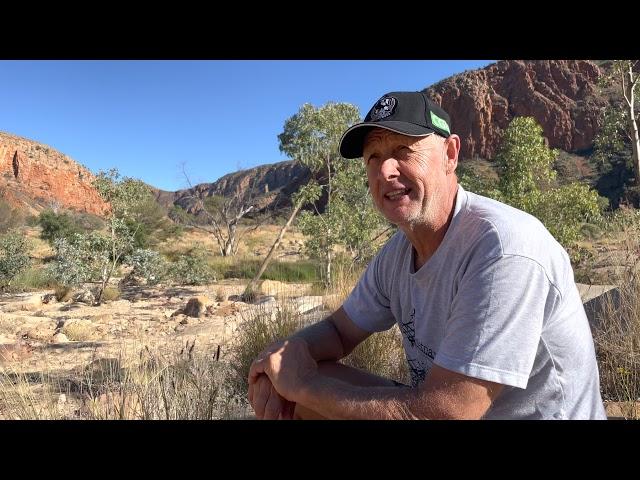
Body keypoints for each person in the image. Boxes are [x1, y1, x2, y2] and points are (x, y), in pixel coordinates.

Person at [248, 91, 607, 420]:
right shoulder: (397, 254)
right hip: (439, 407)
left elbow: (448, 413)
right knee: (303, 391)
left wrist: (302, 384)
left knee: (308, 391)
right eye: (374, 157)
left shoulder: (503, 249)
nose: (386, 171)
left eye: (403, 151)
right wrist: (283, 356)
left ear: (450, 155)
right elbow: (339, 331)